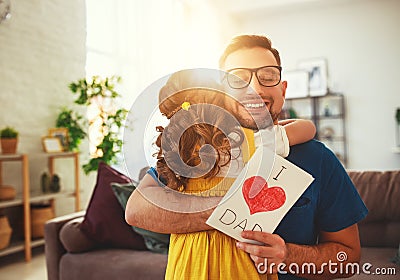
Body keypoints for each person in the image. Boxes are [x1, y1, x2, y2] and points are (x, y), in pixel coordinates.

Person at [126, 35, 368, 279]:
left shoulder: (318, 159)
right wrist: (223, 210)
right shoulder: (195, 150)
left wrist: (288, 256)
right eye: (238, 78)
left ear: (283, 90)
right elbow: (136, 210)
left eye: (268, 76)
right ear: (221, 92)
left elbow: (349, 258)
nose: (256, 88)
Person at [135, 68, 316, 280]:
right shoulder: (246, 139)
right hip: (238, 255)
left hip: (189, 257)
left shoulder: (174, 147)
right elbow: (306, 129)